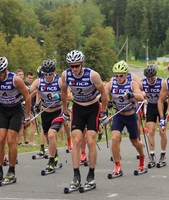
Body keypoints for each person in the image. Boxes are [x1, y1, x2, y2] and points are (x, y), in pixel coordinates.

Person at [61, 50, 108, 190]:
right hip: (78, 109)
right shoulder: (66, 75)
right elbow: (63, 92)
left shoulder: (92, 75)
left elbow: (104, 93)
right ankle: (76, 176)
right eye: (71, 66)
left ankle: (91, 175)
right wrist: (64, 110)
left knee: (91, 141)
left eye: (76, 66)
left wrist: (104, 112)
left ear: (82, 64)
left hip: (93, 108)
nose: (74, 69)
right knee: (76, 141)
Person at [0, 56, 31, 183]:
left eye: (1, 73)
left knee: (11, 140)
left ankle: (11, 171)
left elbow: (27, 96)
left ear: (6, 70)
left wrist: (27, 116)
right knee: (0, 139)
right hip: (3, 110)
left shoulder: (15, 80)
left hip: (16, 110)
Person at [106, 60, 145, 176]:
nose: (118, 78)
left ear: (126, 74)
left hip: (131, 116)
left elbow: (141, 97)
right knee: (115, 138)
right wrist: (106, 102)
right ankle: (117, 166)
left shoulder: (132, 84)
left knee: (135, 142)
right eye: (116, 75)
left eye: (121, 75)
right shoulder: (112, 83)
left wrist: (132, 95)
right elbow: (104, 92)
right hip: (118, 115)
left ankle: (142, 160)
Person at [29, 59, 65, 174]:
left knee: (51, 134)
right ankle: (54, 155)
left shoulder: (59, 81)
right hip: (45, 112)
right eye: (46, 74)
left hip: (57, 111)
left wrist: (60, 95)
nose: (48, 77)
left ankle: (50, 162)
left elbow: (69, 96)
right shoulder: (39, 82)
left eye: (50, 74)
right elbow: (29, 90)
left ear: (54, 73)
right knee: (49, 138)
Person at [140, 64, 169, 168]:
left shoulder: (162, 82)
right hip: (151, 106)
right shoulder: (143, 83)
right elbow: (136, 91)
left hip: (162, 106)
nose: (151, 80)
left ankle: (163, 154)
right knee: (151, 131)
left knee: (162, 131)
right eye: (149, 78)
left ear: (155, 75)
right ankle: (152, 155)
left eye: (152, 78)